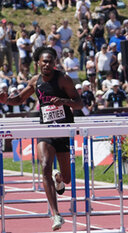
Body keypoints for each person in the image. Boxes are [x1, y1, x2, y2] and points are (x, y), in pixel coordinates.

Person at [0, 46, 83, 231]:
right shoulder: (35, 81)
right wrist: (5, 100)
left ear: (55, 63)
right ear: (38, 63)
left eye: (50, 62)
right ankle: (56, 215)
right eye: (44, 61)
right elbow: (20, 100)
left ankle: (59, 178)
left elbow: (79, 103)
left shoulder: (63, 79)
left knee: (67, 180)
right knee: (45, 166)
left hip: (63, 129)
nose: (47, 64)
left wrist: (65, 102)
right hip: (46, 129)